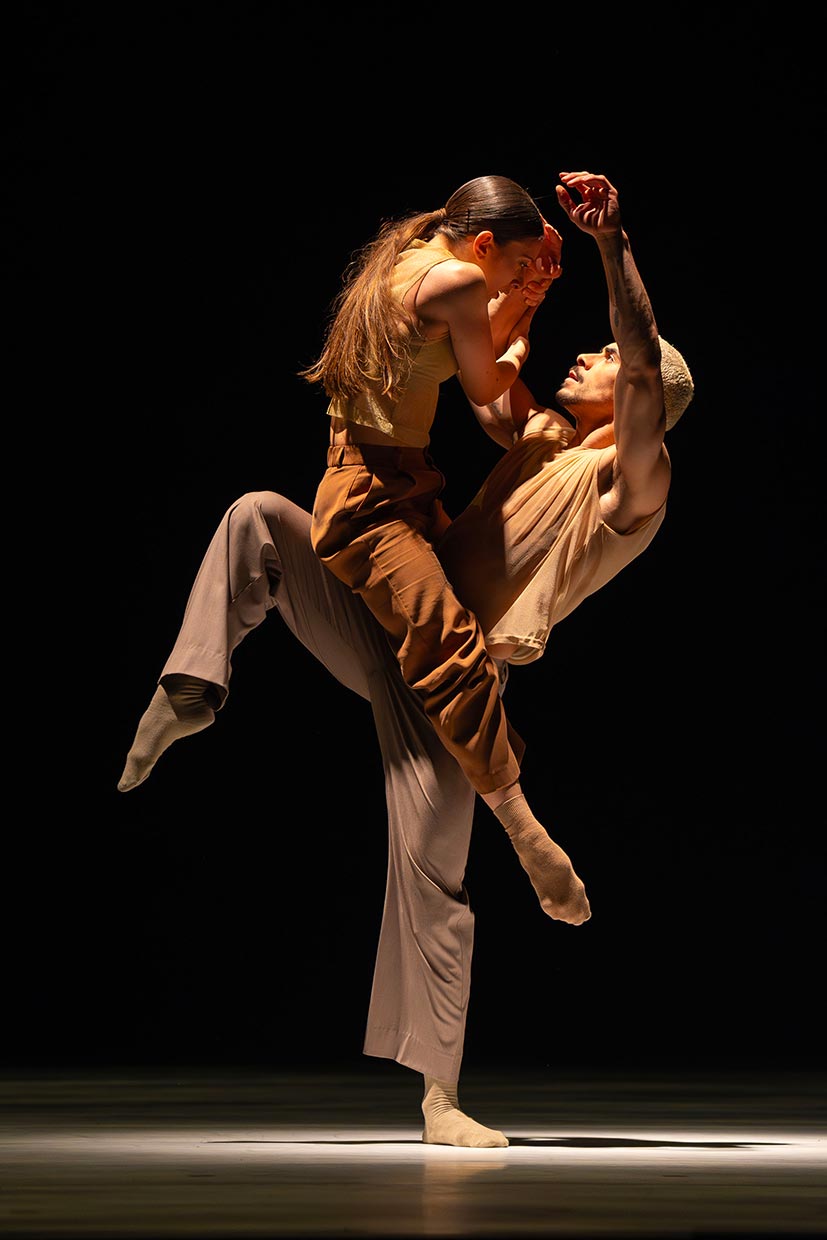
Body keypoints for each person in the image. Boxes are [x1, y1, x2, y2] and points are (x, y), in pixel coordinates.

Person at [118, 170, 693, 1147]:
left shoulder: (628, 482)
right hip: (394, 623)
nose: (590, 354)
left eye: (602, 358)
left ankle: (439, 1099)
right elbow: (494, 397)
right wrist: (521, 297)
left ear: (638, 406)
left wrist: (610, 246)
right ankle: (191, 685)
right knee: (259, 520)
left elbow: (637, 365)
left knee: (431, 871)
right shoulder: (548, 443)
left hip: (453, 689)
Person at [302, 173, 591, 927]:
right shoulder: (459, 281)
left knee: (477, 631)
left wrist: (525, 288)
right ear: (484, 243)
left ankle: (481, 769)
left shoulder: (417, 255)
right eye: (514, 264)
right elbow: (488, 384)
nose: (513, 280)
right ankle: (526, 835)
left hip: (403, 481)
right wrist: (523, 329)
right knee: (452, 643)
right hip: (369, 498)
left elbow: (476, 335)